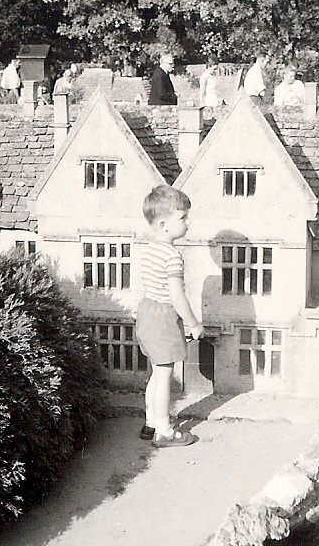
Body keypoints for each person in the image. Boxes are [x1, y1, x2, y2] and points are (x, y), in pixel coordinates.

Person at [136, 185, 203, 448]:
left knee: (156, 372)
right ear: (164, 224)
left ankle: (151, 422)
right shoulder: (173, 256)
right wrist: (194, 323)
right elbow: (177, 297)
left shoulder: (150, 249)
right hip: (163, 317)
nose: (188, 222)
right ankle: (164, 431)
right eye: (183, 217)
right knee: (164, 375)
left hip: (147, 312)